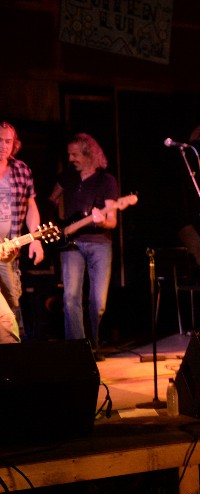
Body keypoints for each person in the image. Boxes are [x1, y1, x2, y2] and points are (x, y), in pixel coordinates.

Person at [49, 133, 118, 359]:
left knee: (98, 302)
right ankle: (79, 349)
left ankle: (94, 343)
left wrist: (101, 220)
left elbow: (112, 221)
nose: (71, 158)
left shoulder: (106, 181)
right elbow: (51, 200)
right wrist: (59, 224)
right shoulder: (67, 177)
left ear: (89, 154)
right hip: (72, 244)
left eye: (75, 154)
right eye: (69, 154)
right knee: (70, 297)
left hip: (100, 243)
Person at [0, 121, 44, 340]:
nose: (3, 146)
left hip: (9, 253)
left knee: (12, 306)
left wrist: (35, 239)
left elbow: (31, 207)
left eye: (8, 141)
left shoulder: (21, 170)